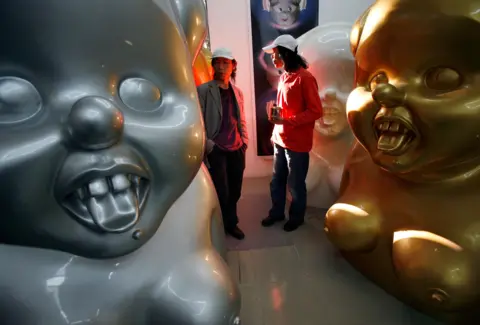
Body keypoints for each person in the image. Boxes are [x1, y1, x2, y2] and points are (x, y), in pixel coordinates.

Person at [261, 34, 323, 232]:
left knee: (295, 185)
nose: (273, 57)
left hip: (297, 144)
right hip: (280, 139)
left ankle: (296, 218)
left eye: (275, 53)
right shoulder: (284, 76)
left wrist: (287, 121)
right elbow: (283, 108)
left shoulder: (305, 78)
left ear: (285, 53)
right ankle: (277, 213)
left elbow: (316, 111)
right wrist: (275, 122)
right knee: (277, 180)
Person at [197, 48, 249, 240]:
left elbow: (241, 118)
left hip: (237, 147)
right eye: (217, 62)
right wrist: (209, 145)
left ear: (233, 65)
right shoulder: (204, 90)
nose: (221, 66)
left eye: (225, 62)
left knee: (235, 189)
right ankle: (224, 224)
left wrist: (245, 141)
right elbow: (199, 120)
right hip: (217, 149)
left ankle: (230, 221)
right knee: (221, 190)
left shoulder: (238, 92)